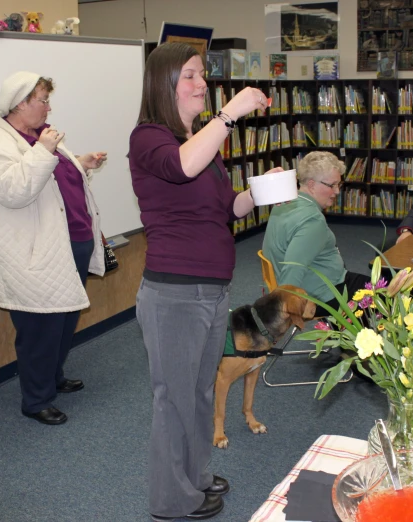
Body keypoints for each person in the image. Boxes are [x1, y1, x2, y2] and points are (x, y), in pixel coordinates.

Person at [129, 42, 270, 521]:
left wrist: (257, 192)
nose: (202, 84)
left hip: (211, 291)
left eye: (202, 75)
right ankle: (172, 501)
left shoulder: (200, 144)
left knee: (200, 393)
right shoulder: (149, 138)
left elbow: (226, 208)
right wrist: (229, 114)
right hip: (174, 294)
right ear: (163, 84)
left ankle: (196, 476)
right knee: (173, 399)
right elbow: (180, 166)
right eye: (190, 75)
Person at [0, 71, 107, 426]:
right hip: (35, 254)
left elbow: (52, 180)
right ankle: (36, 399)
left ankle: (53, 377)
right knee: (39, 331)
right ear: (19, 104)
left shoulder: (39, 135)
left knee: (64, 321)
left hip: (71, 244)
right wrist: (45, 149)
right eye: (43, 100)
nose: (49, 107)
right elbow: (15, 190)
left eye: (48, 99)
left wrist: (80, 163)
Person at [263, 151, 369, 317]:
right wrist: (285, 309)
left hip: (316, 283)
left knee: (376, 283)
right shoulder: (312, 220)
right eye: (332, 185)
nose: (337, 192)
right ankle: (356, 338)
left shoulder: (283, 203)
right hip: (322, 295)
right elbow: (293, 268)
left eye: (339, 185)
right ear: (311, 185)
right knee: (391, 293)